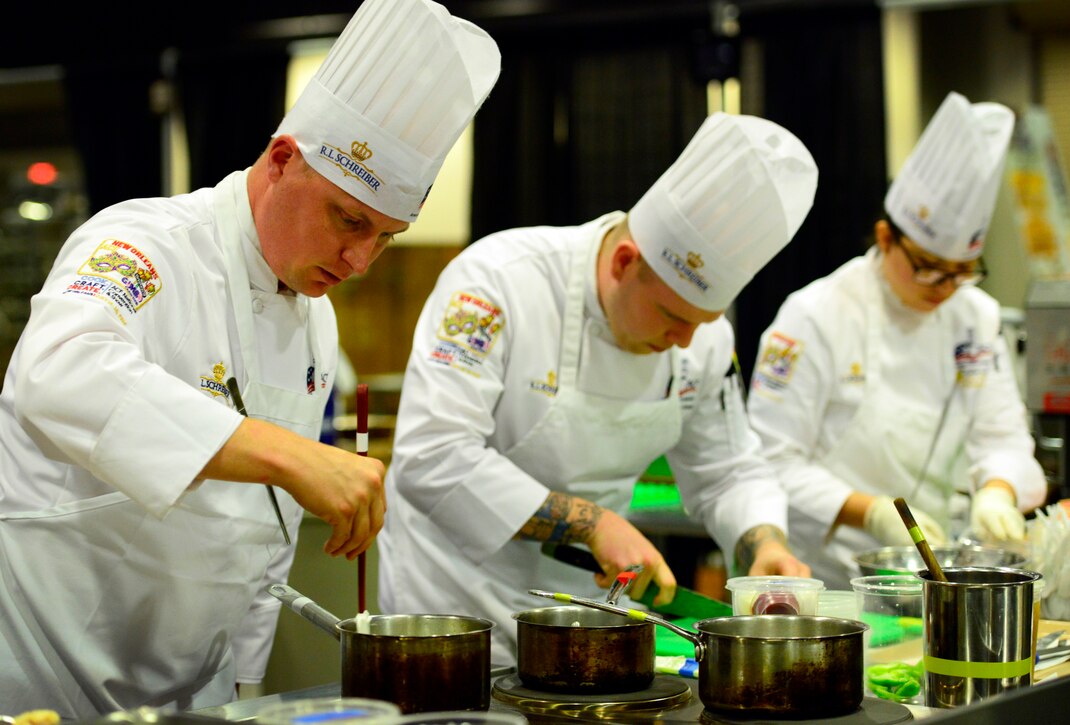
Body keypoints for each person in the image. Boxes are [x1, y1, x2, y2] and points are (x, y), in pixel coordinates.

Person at [0, 0, 500, 716]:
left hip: (192, 693)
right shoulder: (148, 243)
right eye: (349, 219)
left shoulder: (317, 322)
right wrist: (287, 454)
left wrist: (245, 693)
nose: (360, 259)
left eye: (387, 236)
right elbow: (58, 372)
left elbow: (261, 541)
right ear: (282, 158)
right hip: (45, 677)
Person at [377, 112, 818, 665]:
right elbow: (431, 456)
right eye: (670, 315)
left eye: (702, 322)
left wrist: (764, 540)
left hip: (585, 620)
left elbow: (729, 469)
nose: (685, 341)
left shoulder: (700, 338)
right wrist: (594, 523)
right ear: (625, 262)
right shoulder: (499, 281)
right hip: (451, 615)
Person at [746, 91, 1047, 590]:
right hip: (829, 579)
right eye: (929, 269)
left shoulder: (976, 316)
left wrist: (998, 491)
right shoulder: (815, 315)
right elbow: (771, 459)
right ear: (886, 238)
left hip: (936, 569)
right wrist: (872, 514)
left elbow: (1004, 437)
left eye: (961, 273)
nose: (944, 289)